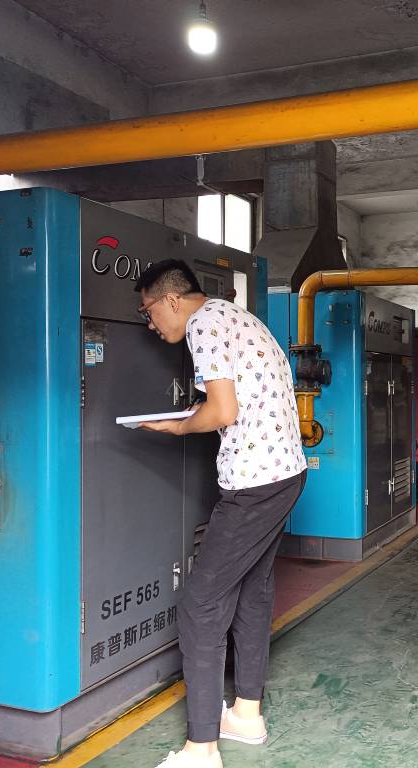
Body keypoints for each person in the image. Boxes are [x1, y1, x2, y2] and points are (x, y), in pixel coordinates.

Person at [135, 259, 307, 768]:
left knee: (201, 604)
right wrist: (198, 413)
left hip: (254, 484)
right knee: (252, 591)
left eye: (148, 312)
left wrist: (177, 426)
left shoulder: (203, 325)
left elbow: (223, 412)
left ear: (172, 300)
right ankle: (246, 715)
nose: (151, 324)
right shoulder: (238, 317)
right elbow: (237, 401)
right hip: (286, 474)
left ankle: (201, 748)